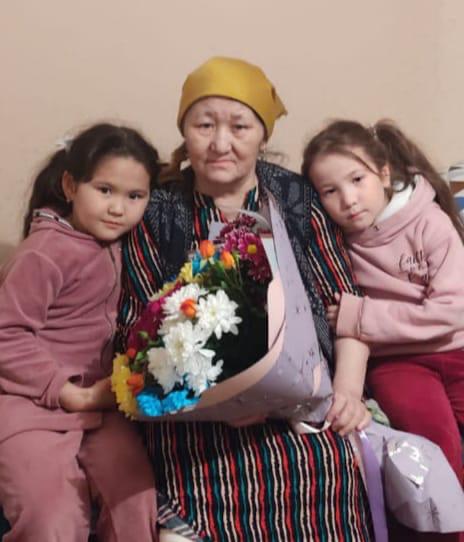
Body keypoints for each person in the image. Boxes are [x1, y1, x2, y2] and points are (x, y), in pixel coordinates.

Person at [118, 57, 373, 541]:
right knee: (201, 483)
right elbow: (136, 328)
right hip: (195, 416)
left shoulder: (295, 198)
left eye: (239, 127)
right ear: (184, 131)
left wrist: (348, 392)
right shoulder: (159, 210)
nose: (221, 143)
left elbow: (347, 305)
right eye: (204, 125)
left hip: (301, 404)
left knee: (328, 469)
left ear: (262, 135)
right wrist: (220, 400)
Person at [303, 119, 464, 542]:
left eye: (357, 180)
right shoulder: (334, 244)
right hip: (399, 364)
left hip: (457, 349)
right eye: (330, 191)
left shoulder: (429, 222)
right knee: (434, 449)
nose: (349, 200)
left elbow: (453, 311)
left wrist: (362, 316)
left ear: (385, 175)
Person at [0, 123, 161, 541]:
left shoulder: (125, 244)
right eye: (104, 190)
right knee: (51, 517)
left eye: (135, 196)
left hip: (101, 406)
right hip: (32, 407)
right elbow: (6, 334)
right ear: (70, 186)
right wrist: (65, 391)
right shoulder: (44, 253)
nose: (118, 208)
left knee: (135, 503)